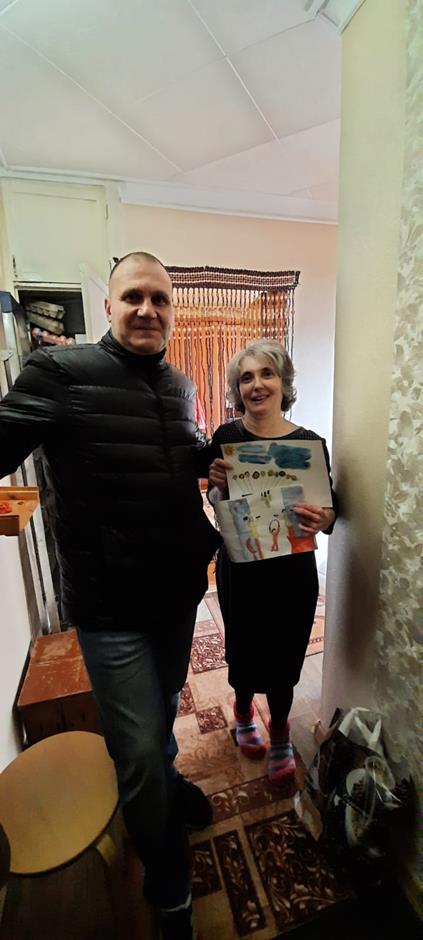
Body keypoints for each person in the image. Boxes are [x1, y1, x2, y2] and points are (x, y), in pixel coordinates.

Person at [0, 251, 220, 940]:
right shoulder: (58, 373)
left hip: (176, 594)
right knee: (137, 752)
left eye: (160, 298)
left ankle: (167, 785)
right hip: (110, 608)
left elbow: (171, 457)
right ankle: (170, 891)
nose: (147, 310)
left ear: (172, 311)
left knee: (161, 718)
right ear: (109, 306)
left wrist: (209, 462)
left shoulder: (179, 385)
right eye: (133, 297)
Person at [208, 338, 336, 785]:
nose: (257, 384)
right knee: (243, 648)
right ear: (238, 389)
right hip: (242, 569)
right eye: (246, 377)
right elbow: (216, 499)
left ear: (284, 383)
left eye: (267, 374)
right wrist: (217, 486)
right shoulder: (226, 438)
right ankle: (243, 712)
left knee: (285, 655)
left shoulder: (309, 444)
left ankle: (280, 731)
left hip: (292, 572)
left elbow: (331, 507)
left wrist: (323, 518)